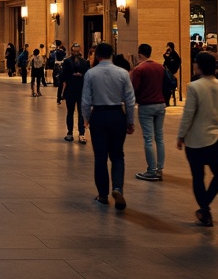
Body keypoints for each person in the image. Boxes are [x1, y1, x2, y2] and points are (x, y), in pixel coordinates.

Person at [176, 51, 218, 227]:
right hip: (217, 139)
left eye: (195, 63)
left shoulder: (194, 87)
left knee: (198, 176)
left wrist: (181, 135)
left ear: (199, 66)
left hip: (195, 141)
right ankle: (205, 207)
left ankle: (204, 208)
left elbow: (188, 114)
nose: (194, 65)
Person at [81, 42, 136, 210]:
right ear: (112, 54)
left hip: (99, 115)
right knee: (118, 155)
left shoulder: (91, 73)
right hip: (117, 115)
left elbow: (85, 100)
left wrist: (87, 119)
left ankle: (103, 195)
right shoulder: (122, 73)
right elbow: (130, 99)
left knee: (100, 157)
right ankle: (118, 187)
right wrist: (130, 120)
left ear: (97, 56)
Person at [129, 43, 167, 181]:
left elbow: (134, 89)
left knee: (148, 139)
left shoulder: (140, 69)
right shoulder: (160, 67)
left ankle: (151, 170)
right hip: (161, 104)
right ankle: (160, 168)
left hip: (146, 106)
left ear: (139, 54)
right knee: (160, 138)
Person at [58, 43, 89, 143]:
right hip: (71, 90)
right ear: (71, 51)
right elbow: (63, 77)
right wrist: (59, 95)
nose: (76, 53)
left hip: (81, 91)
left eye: (77, 51)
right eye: (74, 51)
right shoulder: (67, 62)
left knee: (81, 113)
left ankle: (81, 133)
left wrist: (80, 75)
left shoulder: (84, 62)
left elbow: (87, 76)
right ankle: (70, 132)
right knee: (70, 112)